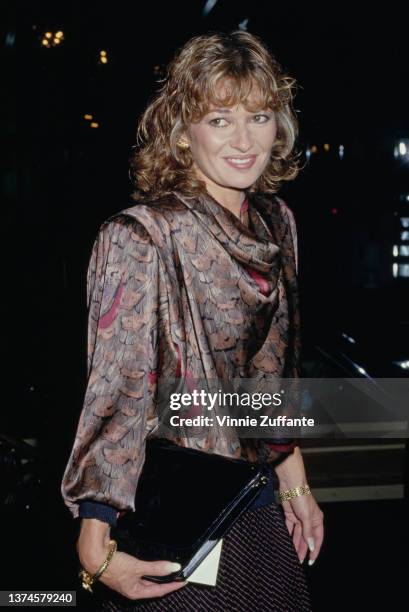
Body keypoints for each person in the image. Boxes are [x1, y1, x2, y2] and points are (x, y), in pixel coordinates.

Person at [61, 30, 324, 611]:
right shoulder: (141, 235)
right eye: (219, 119)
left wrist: (297, 484)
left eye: (258, 116)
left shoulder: (277, 223)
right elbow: (118, 391)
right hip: (178, 512)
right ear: (182, 133)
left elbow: (271, 371)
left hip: (254, 505)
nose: (243, 139)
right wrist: (94, 543)